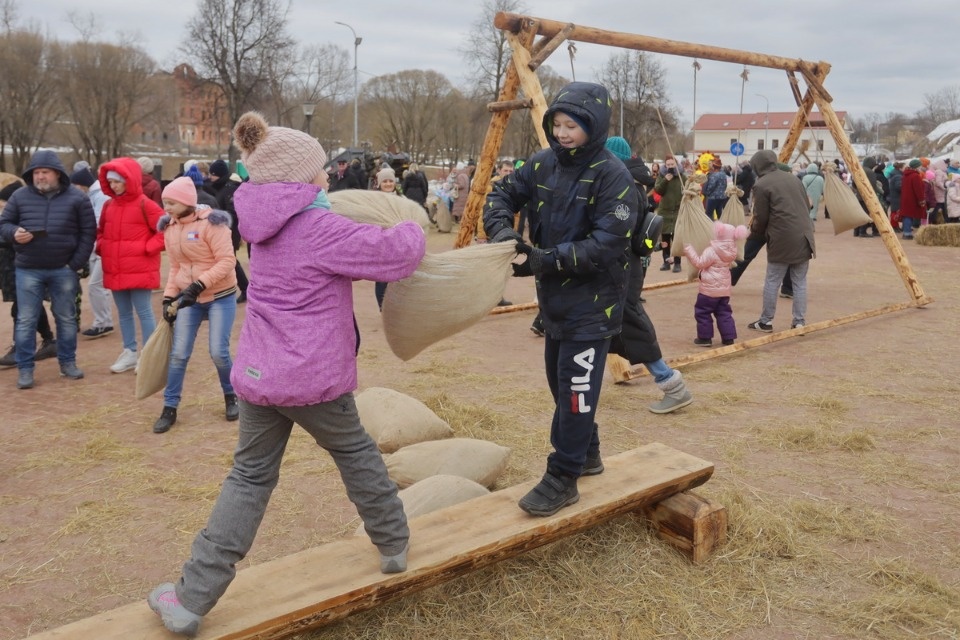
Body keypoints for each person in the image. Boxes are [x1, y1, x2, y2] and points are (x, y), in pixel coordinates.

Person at [147, 111, 424, 636]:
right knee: (356, 454)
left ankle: (189, 598)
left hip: (259, 374)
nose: (326, 177)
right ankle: (393, 543)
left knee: (248, 478)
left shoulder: (256, 222)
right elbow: (397, 255)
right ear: (301, 178)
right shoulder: (318, 225)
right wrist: (409, 221)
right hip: (313, 379)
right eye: (319, 171)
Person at [483, 81, 637, 517]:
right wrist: (503, 232)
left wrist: (542, 260)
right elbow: (501, 195)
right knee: (561, 385)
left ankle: (563, 475)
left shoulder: (615, 177)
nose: (564, 132)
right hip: (554, 303)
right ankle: (587, 452)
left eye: (574, 125)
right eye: (559, 123)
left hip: (594, 305)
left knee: (575, 394)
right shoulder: (542, 164)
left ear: (595, 126)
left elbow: (606, 244)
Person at [604, 136, 693, 414]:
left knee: (630, 323)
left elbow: (617, 230)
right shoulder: (630, 182)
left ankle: (671, 384)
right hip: (623, 266)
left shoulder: (624, 185)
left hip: (624, 267)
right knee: (605, 325)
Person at [0, 150, 96, 389]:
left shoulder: (77, 198)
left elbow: (88, 233)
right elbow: (4, 224)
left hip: (63, 269)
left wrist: (74, 264)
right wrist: (14, 234)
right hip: (27, 269)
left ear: (57, 174)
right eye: (36, 173)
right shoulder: (20, 196)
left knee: (66, 318)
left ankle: (67, 362)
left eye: (45, 172)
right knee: (25, 320)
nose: (40, 177)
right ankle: (25, 368)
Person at [152, 177, 238, 434]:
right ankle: (169, 407)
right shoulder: (171, 227)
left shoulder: (213, 224)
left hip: (220, 296)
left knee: (218, 352)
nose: (166, 208)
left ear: (186, 202)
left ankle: (231, 395)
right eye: (164, 202)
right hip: (188, 299)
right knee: (178, 354)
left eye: (171, 203)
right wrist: (169, 296)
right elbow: (176, 267)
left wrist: (198, 285)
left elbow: (227, 261)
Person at [97, 157, 166, 373]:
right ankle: (130, 352)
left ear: (129, 180)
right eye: (111, 182)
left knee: (144, 311)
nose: (114, 185)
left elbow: (166, 229)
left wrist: (147, 248)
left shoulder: (146, 204)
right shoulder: (108, 205)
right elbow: (101, 231)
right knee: (124, 313)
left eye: (118, 181)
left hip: (140, 268)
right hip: (116, 268)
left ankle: (148, 355)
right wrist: (102, 247)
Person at [745, 150, 815, 332]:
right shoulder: (794, 178)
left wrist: (753, 233)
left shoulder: (762, 185)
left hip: (782, 238)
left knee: (772, 281)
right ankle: (799, 321)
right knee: (800, 282)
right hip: (804, 236)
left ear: (757, 166)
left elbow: (761, 216)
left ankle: (765, 321)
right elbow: (807, 205)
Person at [0, 181, 59, 368]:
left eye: (3, 205)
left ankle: (20, 348)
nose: (1, 209)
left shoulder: (25, 218)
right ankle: (49, 341)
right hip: (9, 270)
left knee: (21, 309)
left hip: (23, 268)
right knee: (29, 305)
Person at [684, 221, 748, 347]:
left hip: (708, 290)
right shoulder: (732, 250)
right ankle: (728, 338)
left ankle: (705, 338)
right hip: (724, 291)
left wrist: (689, 249)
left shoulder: (711, 250)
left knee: (702, 312)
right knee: (724, 312)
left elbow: (699, 263)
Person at [70, 167, 115, 338]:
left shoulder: (100, 195)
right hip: (97, 247)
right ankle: (104, 321)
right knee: (99, 286)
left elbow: (97, 223)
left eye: (75, 185)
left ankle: (103, 322)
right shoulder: (93, 194)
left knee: (96, 285)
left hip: (102, 248)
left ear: (81, 184)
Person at [207, 159, 248, 304]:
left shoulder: (229, 188)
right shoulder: (221, 187)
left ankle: (245, 288)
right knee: (229, 260)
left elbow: (233, 212)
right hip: (223, 230)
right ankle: (243, 288)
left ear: (219, 175)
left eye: (212, 174)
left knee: (230, 260)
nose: (210, 177)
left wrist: (219, 221)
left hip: (230, 230)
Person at [373, 166, 399, 309]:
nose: (388, 184)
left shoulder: (401, 199)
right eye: (385, 182)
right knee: (382, 278)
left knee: (398, 278)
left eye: (390, 181)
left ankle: (396, 309)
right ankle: (383, 307)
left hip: (398, 244)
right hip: (382, 244)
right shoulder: (375, 201)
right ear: (379, 184)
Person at [653, 155, 684, 273]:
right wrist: (666, 179)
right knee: (665, 238)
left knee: (676, 239)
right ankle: (666, 262)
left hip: (677, 211)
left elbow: (687, 188)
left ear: (676, 164)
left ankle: (677, 263)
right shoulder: (662, 175)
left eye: (672, 164)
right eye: (668, 165)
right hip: (664, 211)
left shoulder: (681, 176)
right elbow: (658, 190)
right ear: (665, 165)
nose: (670, 167)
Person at [899, 159, 926, 240]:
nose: (921, 168)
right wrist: (921, 200)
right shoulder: (915, 176)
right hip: (912, 199)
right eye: (920, 166)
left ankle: (906, 232)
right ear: (916, 167)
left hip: (905, 198)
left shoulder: (905, 175)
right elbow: (918, 189)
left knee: (907, 215)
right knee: (909, 216)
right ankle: (907, 233)